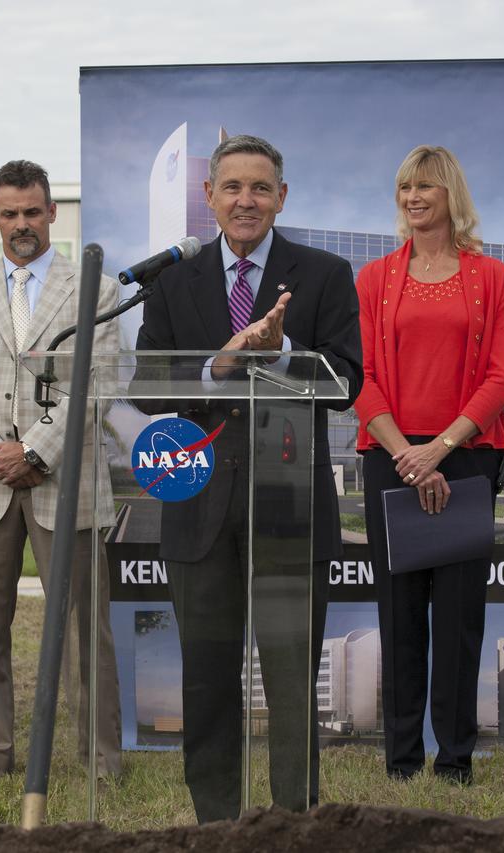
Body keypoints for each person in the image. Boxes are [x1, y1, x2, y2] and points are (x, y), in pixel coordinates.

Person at [135, 134, 362, 822]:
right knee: (207, 679)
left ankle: (294, 821)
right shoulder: (174, 278)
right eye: (232, 187)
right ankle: (216, 823)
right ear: (209, 197)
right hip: (199, 510)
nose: (245, 200)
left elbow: (346, 381)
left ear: (282, 197)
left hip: (291, 511)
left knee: (293, 684)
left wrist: (284, 350)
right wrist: (220, 364)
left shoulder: (322, 272)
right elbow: (148, 385)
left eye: (260, 188)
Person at [0, 159, 122, 780]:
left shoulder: (99, 290)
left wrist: (36, 450)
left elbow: (100, 383)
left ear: (52, 214)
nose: (21, 224)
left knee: (85, 631)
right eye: (9, 213)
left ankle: (99, 758)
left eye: (32, 212)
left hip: (67, 482)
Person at [354, 145, 504, 784]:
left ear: (451, 194)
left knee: (457, 620)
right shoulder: (371, 280)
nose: (413, 197)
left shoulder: (491, 277)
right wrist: (405, 453)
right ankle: (401, 762)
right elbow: (358, 377)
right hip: (391, 456)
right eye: (403, 187)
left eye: (425, 186)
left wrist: (439, 449)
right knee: (398, 618)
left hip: (466, 458)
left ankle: (454, 761)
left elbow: (501, 378)